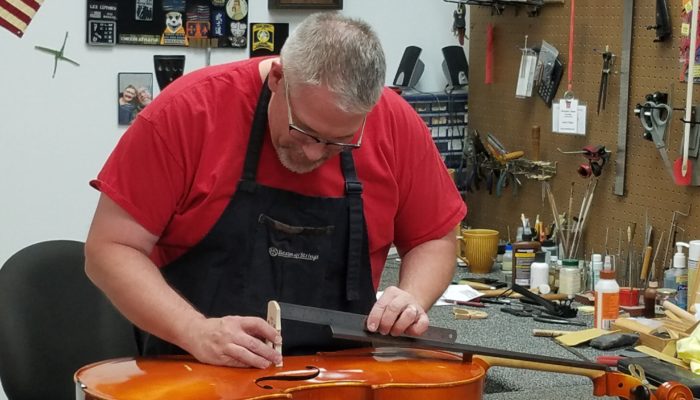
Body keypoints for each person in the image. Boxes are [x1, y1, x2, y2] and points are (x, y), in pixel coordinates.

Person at [85, 12, 466, 369]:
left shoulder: (396, 124)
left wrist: (412, 296)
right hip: (194, 369)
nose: (316, 152)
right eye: (305, 131)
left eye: (340, 142)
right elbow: (110, 249)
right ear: (278, 79)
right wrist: (195, 330)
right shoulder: (187, 114)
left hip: (340, 378)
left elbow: (435, 237)